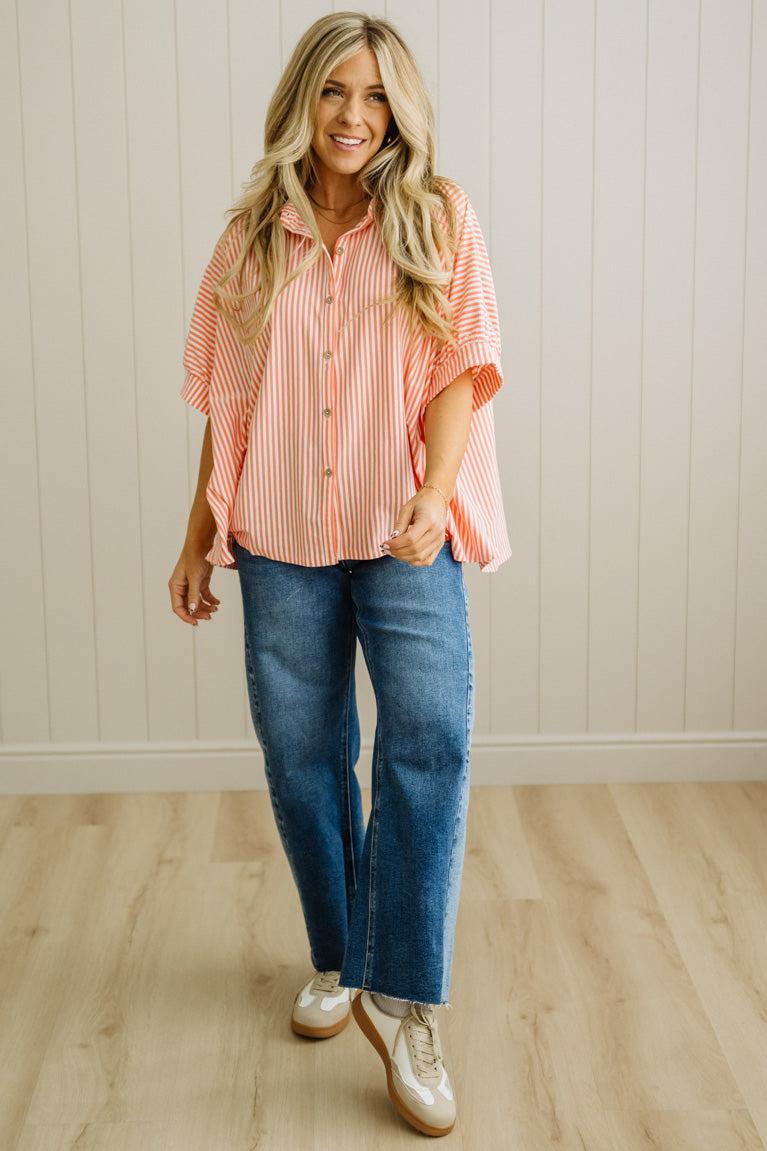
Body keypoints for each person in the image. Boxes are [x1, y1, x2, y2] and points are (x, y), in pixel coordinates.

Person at [168, 11, 511, 1139]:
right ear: (300, 104)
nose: (352, 116)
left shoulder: (436, 216)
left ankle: (403, 995)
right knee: (304, 752)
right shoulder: (249, 238)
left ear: (396, 109)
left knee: (429, 738)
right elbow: (229, 398)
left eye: (372, 96)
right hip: (275, 536)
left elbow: (461, 368)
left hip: (403, 525)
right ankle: (339, 954)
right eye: (332, 93)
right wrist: (196, 532)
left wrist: (434, 488)